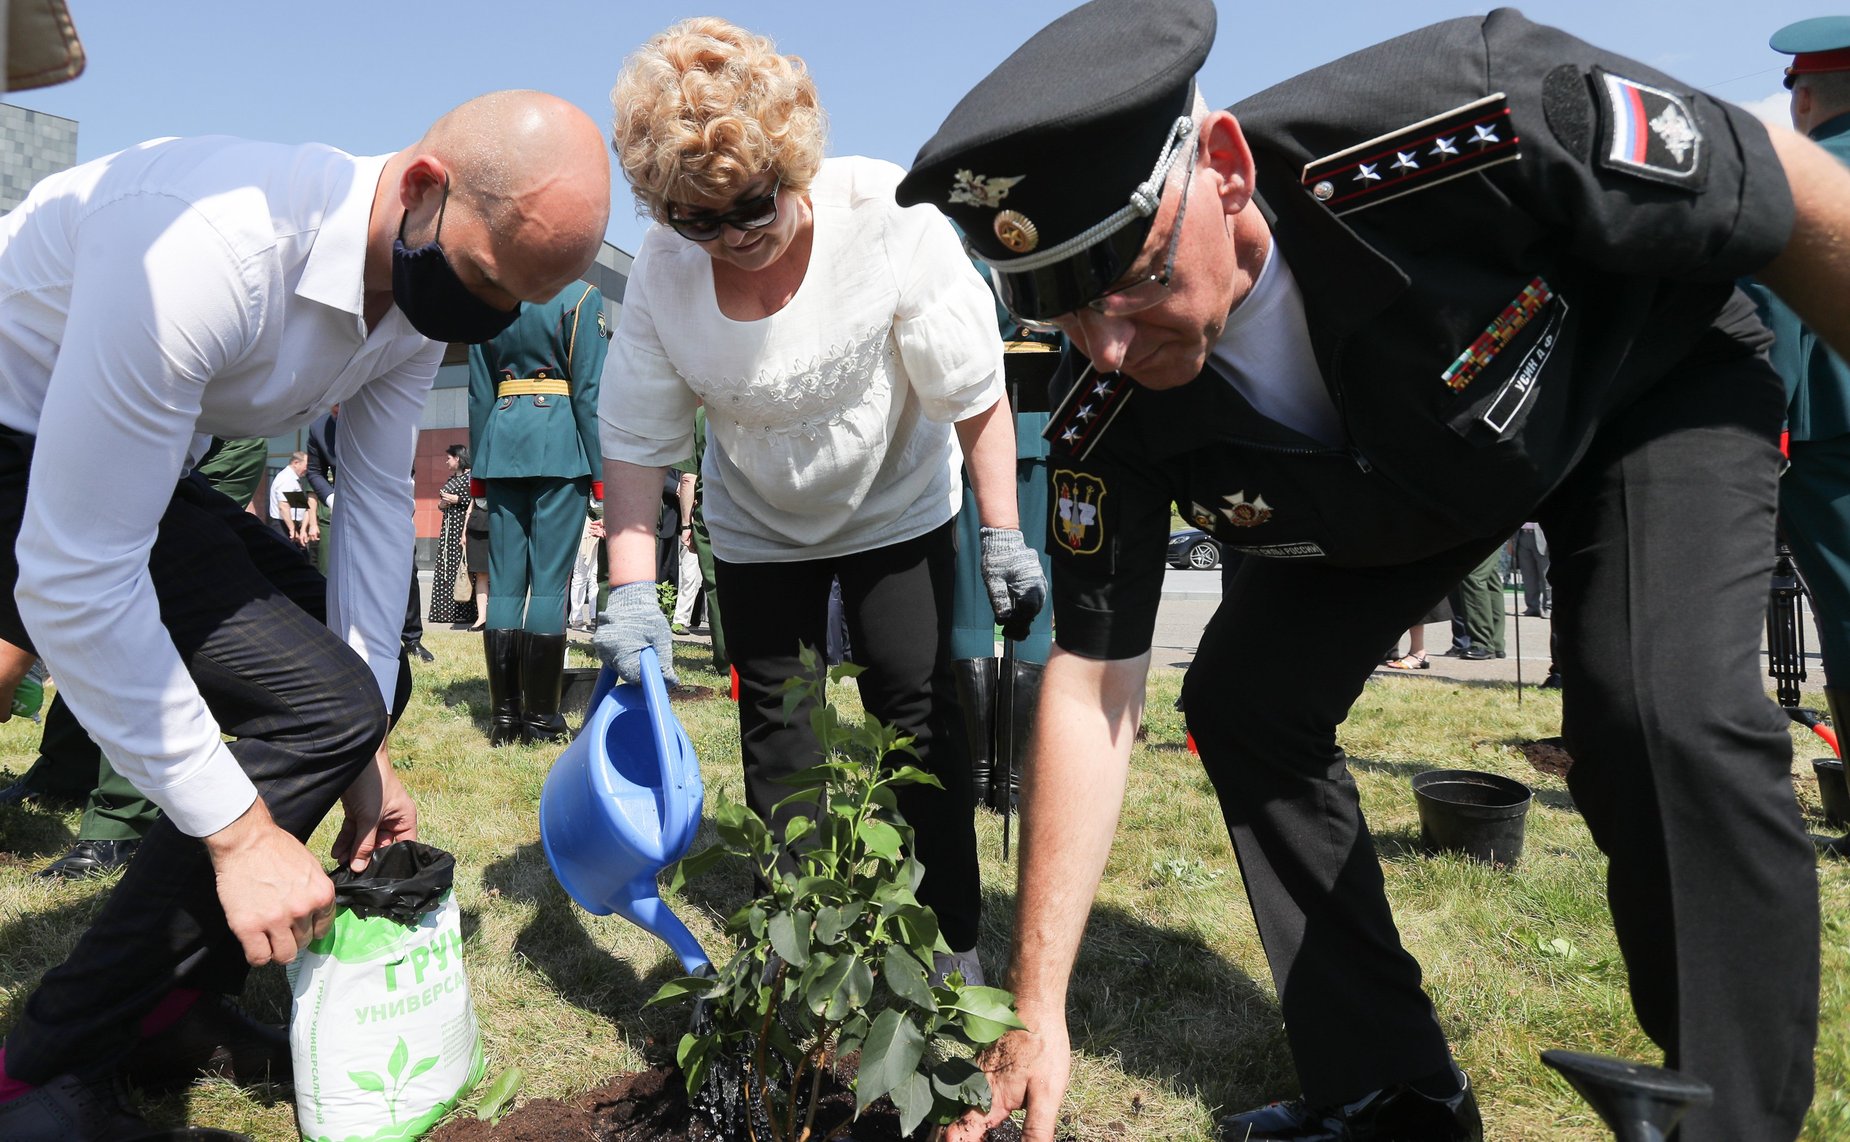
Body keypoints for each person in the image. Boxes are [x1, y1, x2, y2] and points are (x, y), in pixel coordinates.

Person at [900, 2, 1846, 1139]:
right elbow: (1093, 683)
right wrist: (1038, 1004)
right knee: (1245, 702)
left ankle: (1726, 1113)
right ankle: (1388, 1089)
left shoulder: (1476, 116)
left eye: (1135, 278)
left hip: (1635, 389)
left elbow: (1784, 184)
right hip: (1387, 487)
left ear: (1227, 171)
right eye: (1055, 303)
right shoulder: (1107, 403)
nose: (1104, 344)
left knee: (1655, 708)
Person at [0, 89, 609, 1140]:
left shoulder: (419, 292)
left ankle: (165, 998)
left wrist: (361, 751)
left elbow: (374, 502)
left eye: (516, 305)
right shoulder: (209, 247)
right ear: (421, 189)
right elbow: (73, 575)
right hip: (14, 433)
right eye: (484, 282)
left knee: (361, 689)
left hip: (108, 450)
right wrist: (241, 836)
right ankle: (40, 1068)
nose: (488, 321)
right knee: (323, 702)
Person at [595, 16, 1044, 986]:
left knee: (918, 720)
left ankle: (949, 942)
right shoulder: (665, 277)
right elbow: (635, 444)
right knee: (780, 739)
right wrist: (630, 590)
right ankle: (803, 944)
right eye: (696, 218)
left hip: (896, 506)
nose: (730, 237)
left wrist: (1003, 531)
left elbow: (972, 392)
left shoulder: (886, 214)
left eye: (750, 206)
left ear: (792, 163)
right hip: (757, 523)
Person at [1748, 17, 1850, 741]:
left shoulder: (1800, 172)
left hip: (1834, 430)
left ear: (1804, 98)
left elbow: (1777, 316)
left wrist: (1766, 425)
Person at [468, 281, 607, 745]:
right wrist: (601, 472)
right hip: (561, 443)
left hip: (501, 441)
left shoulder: (488, 296)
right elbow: (589, 391)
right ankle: (542, 719)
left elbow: (479, 392)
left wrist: (478, 472)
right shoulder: (581, 297)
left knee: (505, 583)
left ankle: (505, 720)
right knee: (549, 585)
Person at [430, 444, 475, 626]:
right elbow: (441, 505)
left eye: (449, 458)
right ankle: (445, 611)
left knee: (460, 569)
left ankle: (463, 612)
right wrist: (443, 503)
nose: (446, 461)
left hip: (461, 529)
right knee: (446, 569)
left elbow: (475, 500)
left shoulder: (470, 478)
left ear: (458, 458)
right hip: (448, 529)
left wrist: (458, 500)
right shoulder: (452, 478)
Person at [267, 451, 319, 554]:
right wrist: (292, 529)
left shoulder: (293, 479)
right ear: (296, 463)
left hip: (293, 526)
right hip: (283, 527)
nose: (307, 469)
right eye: (306, 465)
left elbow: (301, 507)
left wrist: (302, 529)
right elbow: (283, 506)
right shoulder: (286, 478)